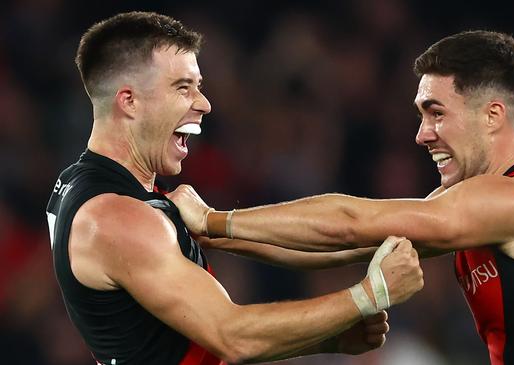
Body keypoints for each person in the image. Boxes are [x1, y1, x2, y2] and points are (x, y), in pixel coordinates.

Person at [169, 30, 514, 364]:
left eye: (435, 113)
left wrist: (213, 218)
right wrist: (213, 237)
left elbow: (350, 220)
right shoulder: (476, 207)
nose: (421, 134)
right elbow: (339, 248)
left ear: (492, 115)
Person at [45, 11, 424, 365]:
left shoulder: (80, 187)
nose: (204, 103)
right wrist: (368, 294)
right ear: (129, 101)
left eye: (199, 87)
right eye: (183, 87)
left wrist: (327, 338)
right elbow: (232, 336)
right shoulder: (118, 218)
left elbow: (177, 340)